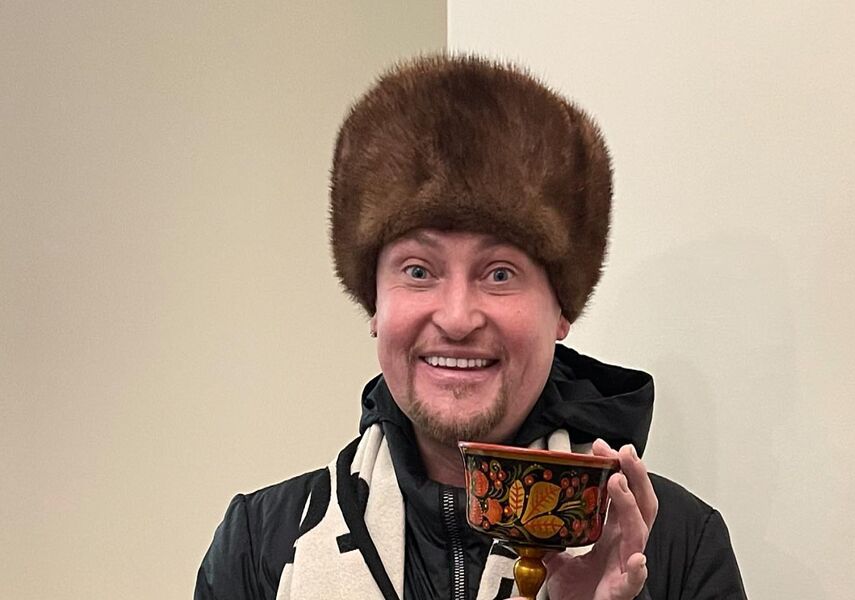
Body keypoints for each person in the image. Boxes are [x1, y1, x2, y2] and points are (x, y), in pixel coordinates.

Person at [194, 55, 746, 600]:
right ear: (374, 304)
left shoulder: (674, 551)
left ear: (562, 309)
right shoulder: (260, 551)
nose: (457, 318)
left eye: (499, 273)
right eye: (418, 271)